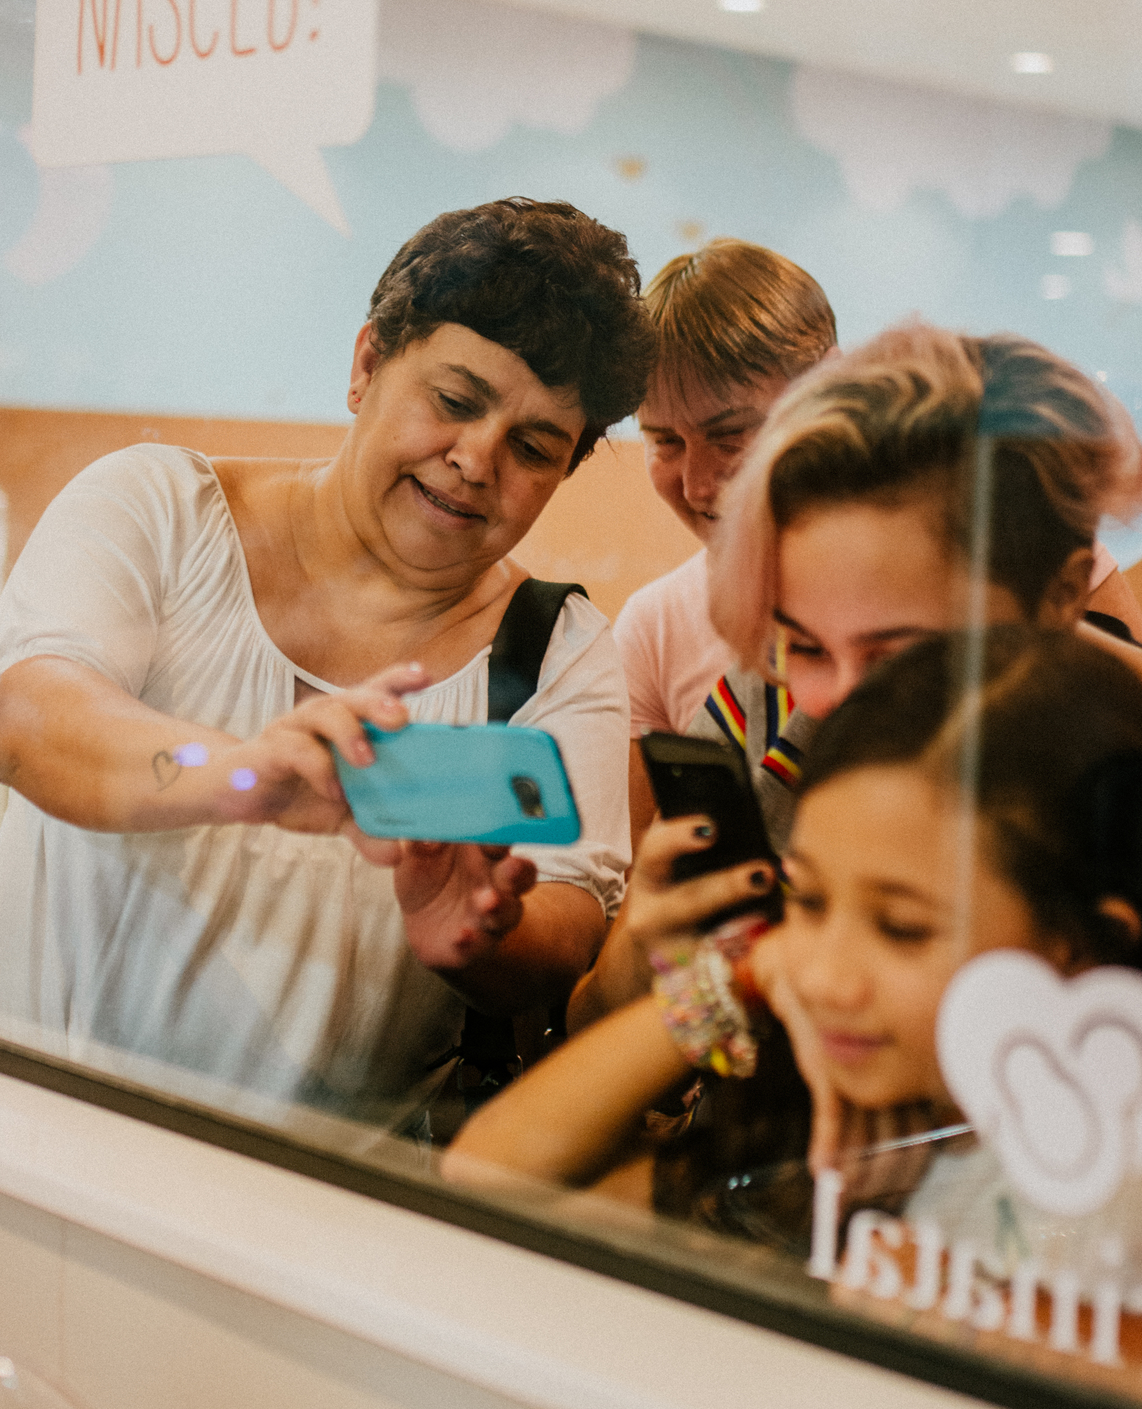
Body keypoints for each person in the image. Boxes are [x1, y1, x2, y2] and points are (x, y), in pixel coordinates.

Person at [0, 198, 653, 1128]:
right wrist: (247, 774)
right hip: (15, 1146)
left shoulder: (557, 656)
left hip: (314, 1211)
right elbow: (32, 728)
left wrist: (481, 933)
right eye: (454, 400)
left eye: (532, 447)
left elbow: (568, 919)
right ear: (366, 364)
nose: (476, 460)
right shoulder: (159, 509)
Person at [444, 627, 1142, 1264]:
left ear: (1082, 945)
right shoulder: (840, 1133)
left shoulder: (1105, 1205)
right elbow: (486, 1173)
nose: (826, 975)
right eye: (809, 899)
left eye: (901, 928)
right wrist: (742, 979)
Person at [568, 321, 1142, 1031]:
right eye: (804, 646)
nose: (837, 702)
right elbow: (659, 1038)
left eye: (902, 655)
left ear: (1056, 600)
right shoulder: (760, 707)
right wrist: (659, 973)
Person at [611, 240, 837, 849]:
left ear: (828, 391)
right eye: (664, 442)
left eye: (731, 433)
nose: (696, 483)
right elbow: (638, 893)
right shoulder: (653, 628)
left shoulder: (975, 558)